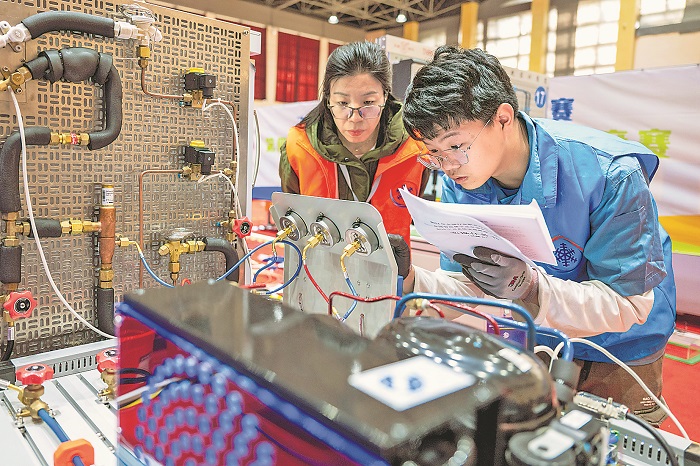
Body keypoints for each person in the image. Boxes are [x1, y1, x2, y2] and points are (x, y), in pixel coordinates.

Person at [391, 45, 676, 425]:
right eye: (434, 154)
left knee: (608, 444)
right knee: (532, 438)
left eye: (456, 146)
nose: (447, 166)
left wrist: (531, 288)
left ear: (503, 118)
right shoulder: (461, 181)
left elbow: (629, 305)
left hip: (621, 349)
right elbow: (470, 285)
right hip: (536, 336)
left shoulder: (609, 174)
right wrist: (412, 279)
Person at [279, 41, 429, 245]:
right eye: (342, 103)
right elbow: (292, 221)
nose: (355, 118)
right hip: (316, 262)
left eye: (368, 103)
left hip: (392, 264)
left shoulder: (415, 146)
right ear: (328, 99)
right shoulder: (299, 146)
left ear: (385, 96)